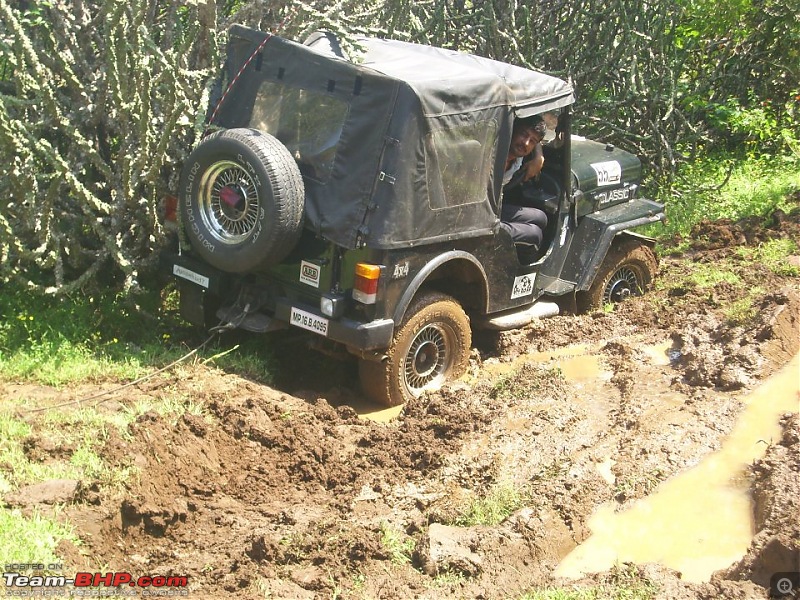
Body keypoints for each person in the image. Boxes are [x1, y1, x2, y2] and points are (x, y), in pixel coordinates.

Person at [499, 115, 548, 253]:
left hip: (493, 209)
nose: (526, 143)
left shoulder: (518, 158)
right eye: (523, 135)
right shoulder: (494, 154)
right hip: (475, 221)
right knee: (534, 234)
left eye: (532, 141)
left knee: (540, 217)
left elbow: (535, 139)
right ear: (512, 130)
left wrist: (539, 157)